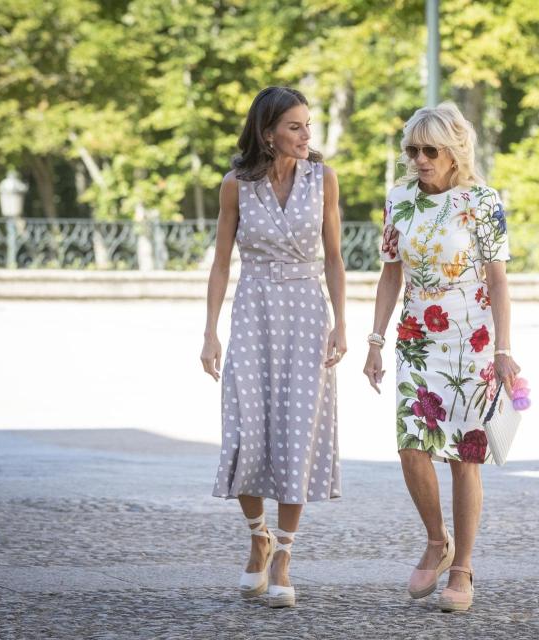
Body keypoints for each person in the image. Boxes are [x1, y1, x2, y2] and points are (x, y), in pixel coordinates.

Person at [363, 102, 519, 612]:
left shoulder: (483, 201)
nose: (421, 159)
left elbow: (498, 281)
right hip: (415, 337)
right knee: (412, 447)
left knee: (463, 459)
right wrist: (375, 340)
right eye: (413, 149)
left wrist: (503, 349)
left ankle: (463, 568)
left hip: (470, 341)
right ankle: (437, 539)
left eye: (431, 150)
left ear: (454, 153)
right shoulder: (399, 199)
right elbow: (391, 273)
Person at [201, 86, 346, 608]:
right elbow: (221, 262)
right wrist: (210, 332)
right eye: (295, 127)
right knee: (246, 427)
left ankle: (284, 552)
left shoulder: (323, 179)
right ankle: (257, 536)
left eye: (308, 125)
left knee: (296, 432)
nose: (307, 136)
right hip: (255, 310)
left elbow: (334, 257)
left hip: (308, 314)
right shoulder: (235, 185)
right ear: (268, 133)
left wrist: (342, 324)